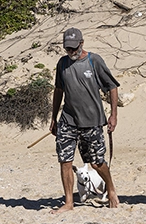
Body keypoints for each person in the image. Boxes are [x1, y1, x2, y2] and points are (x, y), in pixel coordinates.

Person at [49, 27, 120, 211]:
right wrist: (54, 118)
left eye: (74, 48)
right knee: (65, 161)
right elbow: (59, 90)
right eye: (68, 49)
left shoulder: (93, 60)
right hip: (68, 120)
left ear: (82, 43)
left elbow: (111, 86)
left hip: (92, 121)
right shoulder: (62, 64)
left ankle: (111, 189)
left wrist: (113, 115)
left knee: (97, 163)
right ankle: (69, 202)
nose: (71, 52)